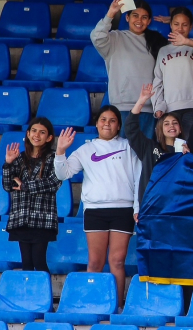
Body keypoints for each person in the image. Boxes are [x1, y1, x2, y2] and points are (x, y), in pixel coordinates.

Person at [54, 106, 142, 307]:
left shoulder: (129, 147)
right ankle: (93, 305)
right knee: (95, 263)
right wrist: (60, 151)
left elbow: (139, 179)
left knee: (118, 262)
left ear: (119, 125)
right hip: (95, 211)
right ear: (97, 123)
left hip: (124, 211)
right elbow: (62, 174)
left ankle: (117, 307)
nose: (107, 124)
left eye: (112, 120)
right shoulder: (86, 149)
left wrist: (137, 207)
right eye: (103, 119)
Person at [91, 0, 167, 138]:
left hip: (149, 109)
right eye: (135, 16)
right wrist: (110, 14)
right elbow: (97, 37)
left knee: (143, 157)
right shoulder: (114, 38)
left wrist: (173, 21)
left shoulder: (157, 41)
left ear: (149, 21)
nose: (139, 20)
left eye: (144, 17)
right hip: (122, 108)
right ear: (127, 18)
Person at [2, 117, 60, 272]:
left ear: (49, 138)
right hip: (22, 218)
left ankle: (44, 295)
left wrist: (26, 185)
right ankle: (28, 296)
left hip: (41, 219)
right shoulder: (19, 157)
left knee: (39, 262)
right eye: (34, 131)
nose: (37, 135)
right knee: (26, 264)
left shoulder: (53, 158)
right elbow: (8, 186)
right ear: (27, 134)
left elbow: (54, 183)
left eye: (42, 132)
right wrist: (8, 164)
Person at [151, 6, 193, 138]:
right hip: (170, 109)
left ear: (191, 26)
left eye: (184, 25)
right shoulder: (163, 51)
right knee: (172, 149)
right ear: (170, 25)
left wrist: (187, 42)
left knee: (191, 148)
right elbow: (158, 81)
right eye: (176, 24)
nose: (180, 28)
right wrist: (158, 106)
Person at [126, 84, 187, 202]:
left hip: (176, 204)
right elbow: (130, 128)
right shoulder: (149, 147)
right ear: (160, 129)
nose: (171, 126)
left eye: (175, 123)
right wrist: (142, 101)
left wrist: (188, 158)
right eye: (166, 124)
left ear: (180, 129)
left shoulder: (186, 150)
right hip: (151, 204)